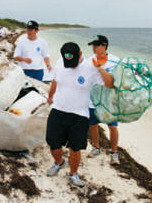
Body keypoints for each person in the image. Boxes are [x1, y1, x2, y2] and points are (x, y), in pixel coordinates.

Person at [46, 42, 114, 187]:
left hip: (79, 115)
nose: (70, 65)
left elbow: (109, 84)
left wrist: (100, 68)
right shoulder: (60, 62)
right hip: (58, 109)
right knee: (53, 143)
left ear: (81, 54)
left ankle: (73, 174)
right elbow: (55, 80)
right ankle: (59, 163)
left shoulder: (90, 67)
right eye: (67, 62)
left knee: (75, 149)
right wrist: (50, 96)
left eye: (73, 62)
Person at [87, 35, 121, 165]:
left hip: (109, 101)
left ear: (104, 46)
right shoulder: (89, 60)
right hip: (92, 100)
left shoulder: (115, 61)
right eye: (93, 46)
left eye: (96, 45)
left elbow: (117, 80)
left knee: (113, 127)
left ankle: (114, 153)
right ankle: (96, 148)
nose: (94, 48)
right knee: (93, 125)